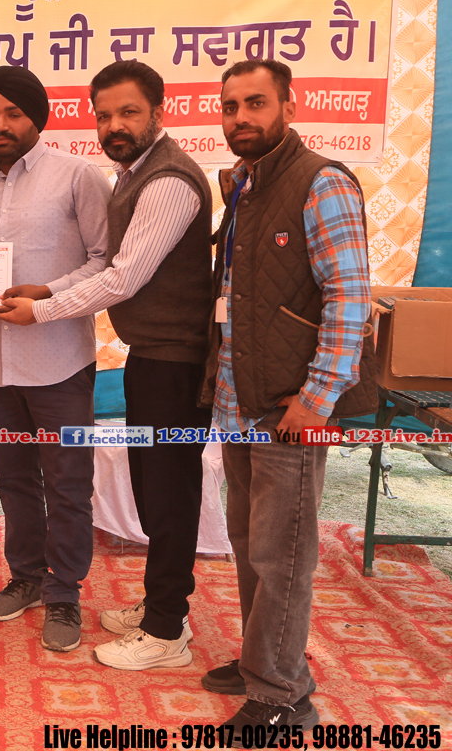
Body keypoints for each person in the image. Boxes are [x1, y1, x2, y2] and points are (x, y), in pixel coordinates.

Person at [0, 60, 213, 670]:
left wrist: (43, 309)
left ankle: (166, 630)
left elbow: (122, 276)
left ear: (159, 114)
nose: (115, 125)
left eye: (129, 112)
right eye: (105, 115)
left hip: (176, 361)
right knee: (155, 486)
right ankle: (160, 605)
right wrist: (43, 290)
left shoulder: (168, 181)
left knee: (169, 491)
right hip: (153, 355)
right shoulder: (134, 174)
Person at [200, 59, 375, 730]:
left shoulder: (321, 182)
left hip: (290, 405)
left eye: (256, 103)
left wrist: (317, 397)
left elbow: (349, 297)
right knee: (251, 543)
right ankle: (263, 660)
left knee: (283, 552)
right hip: (242, 402)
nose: (240, 117)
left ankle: (279, 696)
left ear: (289, 107)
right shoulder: (245, 185)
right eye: (230, 106)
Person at [0, 65, 111, 651]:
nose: (0, 125)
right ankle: (24, 576)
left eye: (13, 114)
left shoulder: (77, 176)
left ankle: (64, 593)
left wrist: (46, 295)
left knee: (68, 483)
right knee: (14, 478)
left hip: (60, 361)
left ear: (37, 118)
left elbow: (105, 260)